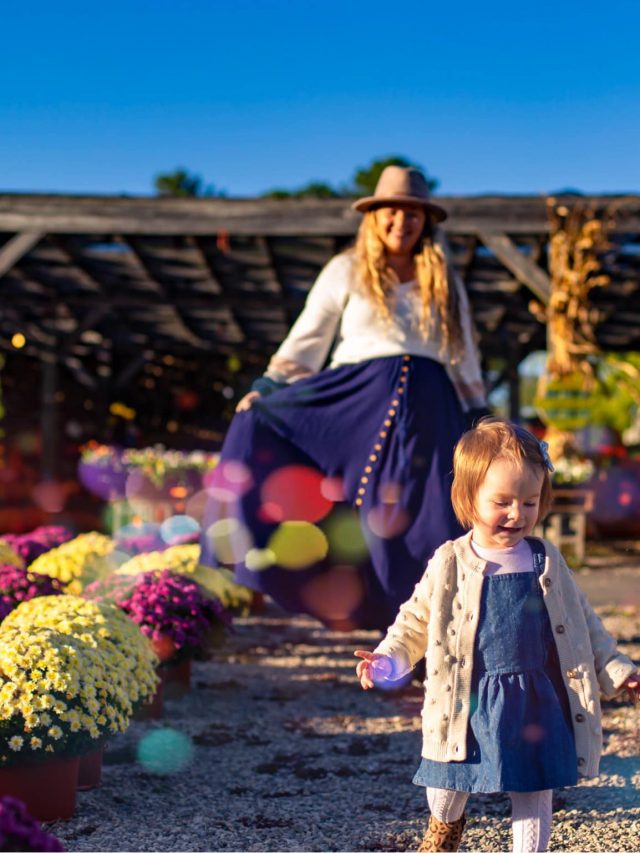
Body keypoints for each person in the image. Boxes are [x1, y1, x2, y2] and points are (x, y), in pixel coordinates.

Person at [200, 165, 488, 630]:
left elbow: (463, 351)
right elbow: (308, 339)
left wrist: (480, 413)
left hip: (429, 408)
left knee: (430, 519)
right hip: (354, 403)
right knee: (327, 492)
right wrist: (269, 387)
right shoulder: (345, 269)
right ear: (373, 217)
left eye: (413, 213)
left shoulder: (444, 279)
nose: (402, 221)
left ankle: (427, 637)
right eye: (391, 210)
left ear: (426, 221)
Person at [355, 417, 640, 853]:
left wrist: (617, 668)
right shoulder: (450, 560)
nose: (516, 514)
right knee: (448, 780)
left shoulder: (545, 559)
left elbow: (584, 622)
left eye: (529, 502)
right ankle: (445, 828)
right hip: (465, 696)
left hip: (534, 696)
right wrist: (388, 658)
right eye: (502, 502)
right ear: (469, 499)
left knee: (534, 786)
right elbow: (414, 620)